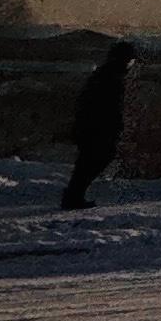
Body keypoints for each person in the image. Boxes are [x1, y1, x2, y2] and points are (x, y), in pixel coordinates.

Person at [61, 37, 134, 210]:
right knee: (93, 161)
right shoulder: (110, 77)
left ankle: (74, 196)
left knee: (89, 162)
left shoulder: (106, 75)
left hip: (93, 127)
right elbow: (108, 107)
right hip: (98, 129)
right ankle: (73, 196)